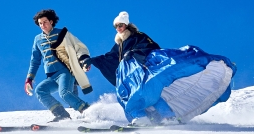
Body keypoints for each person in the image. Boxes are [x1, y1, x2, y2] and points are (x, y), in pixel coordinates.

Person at [82, 11, 237, 126]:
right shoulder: (119, 44)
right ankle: (155, 117)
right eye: (116, 26)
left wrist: (135, 53)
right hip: (129, 75)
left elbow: (152, 47)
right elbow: (109, 57)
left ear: (127, 25)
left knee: (147, 91)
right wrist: (91, 60)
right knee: (141, 95)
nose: (118, 28)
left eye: (121, 25)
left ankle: (162, 117)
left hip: (141, 69)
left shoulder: (138, 36)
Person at [25, 9, 92, 122]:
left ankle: (88, 111)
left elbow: (78, 46)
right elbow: (35, 60)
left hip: (65, 72)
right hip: (51, 76)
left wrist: (84, 60)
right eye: (40, 23)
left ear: (51, 21)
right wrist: (29, 79)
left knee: (64, 93)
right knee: (40, 90)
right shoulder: (37, 40)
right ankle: (61, 114)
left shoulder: (62, 33)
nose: (42, 25)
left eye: (45, 22)